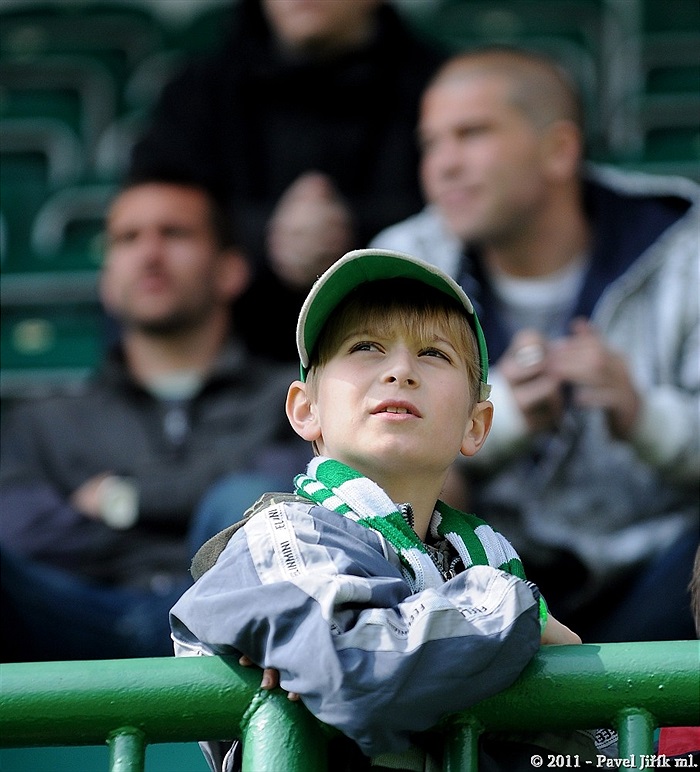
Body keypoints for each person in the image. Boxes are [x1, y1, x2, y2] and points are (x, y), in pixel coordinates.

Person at [170, 248, 591, 772]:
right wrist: (520, 615)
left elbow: (556, 751)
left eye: (434, 354)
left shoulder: (485, 560)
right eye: (365, 347)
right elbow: (354, 670)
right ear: (306, 409)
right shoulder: (278, 536)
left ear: (476, 425)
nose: (399, 371)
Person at [369, 46, 700, 642]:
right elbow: (361, 468)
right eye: (431, 144)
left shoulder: (686, 245)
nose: (442, 165)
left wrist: (643, 415)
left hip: (661, 581)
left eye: (471, 134)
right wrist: (499, 426)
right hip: (483, 588)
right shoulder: (405, 259)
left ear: (559, 151)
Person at [0, 178, 309, 662]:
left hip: (230, 619)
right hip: (70, 617)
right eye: (127, 238)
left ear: (230, 270)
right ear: (106, 281)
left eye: (175, 233)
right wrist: (185, 516)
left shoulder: (293, 400)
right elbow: (24, 536)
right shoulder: (42, 421)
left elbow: (292, 508)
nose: (149, 253)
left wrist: (124, 501)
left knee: (253, 504)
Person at [128, 0, 445, 362]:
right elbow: (153, 214)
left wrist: (347, 233)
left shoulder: (440, 86)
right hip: (228, 359)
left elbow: (464, 218)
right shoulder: (196, 91)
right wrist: (267, 236)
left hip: (403, 347)